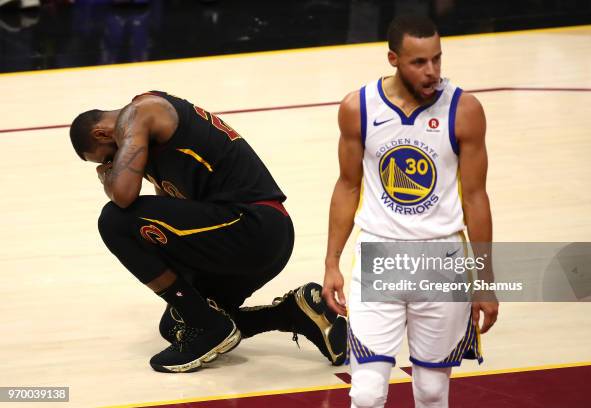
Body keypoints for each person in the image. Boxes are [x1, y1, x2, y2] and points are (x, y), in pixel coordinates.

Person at [69, 90, 347, 373]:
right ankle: (292, 314)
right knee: (177, 323)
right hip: (249, 237)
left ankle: (210, 326)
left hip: (252, 225)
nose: (112, 165)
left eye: (108, 159)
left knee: (114, 220)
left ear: (103, 134)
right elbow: (169, 220)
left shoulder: (142, 112)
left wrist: (107, 179)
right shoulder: (153, 152)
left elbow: (123, 195)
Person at [322, 15, 499, 408]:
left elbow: (476, 198)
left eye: (437, 59)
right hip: (380, 254)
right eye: (419, 62)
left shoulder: (465, 109)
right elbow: (347, 185)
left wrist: (485, 279)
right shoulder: (358, 107)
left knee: (433, 393)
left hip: (442, 256)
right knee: (366, 395)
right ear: (393, 59)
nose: (432, 71)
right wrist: (332, 262)